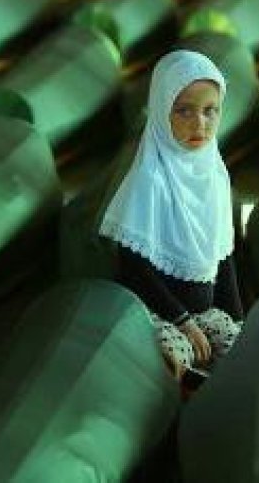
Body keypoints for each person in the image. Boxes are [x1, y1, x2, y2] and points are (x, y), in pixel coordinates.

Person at [100, 49, 244, 380]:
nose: (200, 124)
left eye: (211, 111)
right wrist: (182, 320)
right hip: (154, 314)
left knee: (244, 353)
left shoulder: (215, 175)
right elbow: (133, 267)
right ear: (163, 111)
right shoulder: (150, 178)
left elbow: (223, 259)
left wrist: (239, 322)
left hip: (204, 313)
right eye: (184, 111)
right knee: (172, 360)